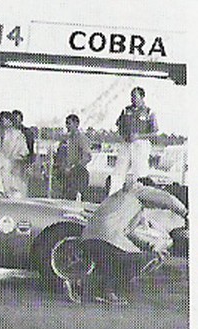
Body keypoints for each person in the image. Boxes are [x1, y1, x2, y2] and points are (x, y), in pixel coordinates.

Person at [79, 177, 187, 305]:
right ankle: (106, 291)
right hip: (106, 239)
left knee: (112, 260)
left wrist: (150, 246)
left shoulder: (122, 199)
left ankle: (84, 287)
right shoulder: (137, 190)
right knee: (142, 260)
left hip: (88, 239)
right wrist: (186, 213)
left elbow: (129, 234)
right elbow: (167, 199)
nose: (153, 207)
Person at [109, 87, 158, 195]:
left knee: (140, 173)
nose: (132, 99)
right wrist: (123, 136)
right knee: (118, 173)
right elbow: (119, 126)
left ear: (142, 97)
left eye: (135, 96)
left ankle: (140, 198)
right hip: (126, 144)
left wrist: (139, 136)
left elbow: (154, 133)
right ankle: (113, 196)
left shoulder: (149, 112)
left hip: (140, 144)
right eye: (131, 96)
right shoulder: (126, 110)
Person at [55, 114, 92, 200]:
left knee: (75, 200)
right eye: (66, 123)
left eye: (69, 123)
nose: (67, 126)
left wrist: (74, 167)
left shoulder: (81, 138)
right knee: (65, 199)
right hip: (66, 175)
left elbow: (87, 156)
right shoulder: (66, 139)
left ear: (76, 124)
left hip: (78, 174)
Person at [0, 110, 29, 196]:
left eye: (2, 120)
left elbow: (23, 153)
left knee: (15, 192)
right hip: (3, 168)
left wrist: (12, 160)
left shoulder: (17, 135)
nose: (0, 122)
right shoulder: (1, 134)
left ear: (9, 121)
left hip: (15, 168)